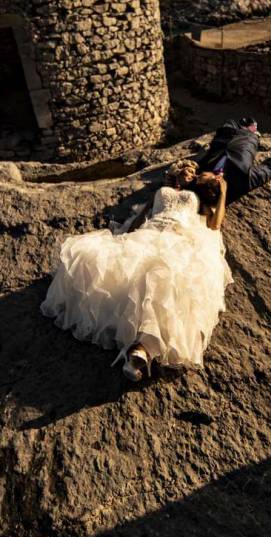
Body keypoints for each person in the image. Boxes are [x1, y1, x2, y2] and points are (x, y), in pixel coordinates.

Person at [41, 159, 232, 381]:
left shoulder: (200, 200)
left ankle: (142, 349)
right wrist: (123, 237)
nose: (192, 172)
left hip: (177, 238)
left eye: (196, 172)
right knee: (123, 272)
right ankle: (138, 348)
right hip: (150, 233)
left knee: (163, 278)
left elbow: (216, 224)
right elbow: (143, 214)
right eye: (187, 170)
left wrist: (224, 190)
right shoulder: (165, 190)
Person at [198, 116, 271, 203]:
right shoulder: (243, 179)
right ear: (217, 179)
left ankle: (244, 127)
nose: (199, 175)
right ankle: (254, 132)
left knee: (229, 122)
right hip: (245, 140)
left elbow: (201, 162)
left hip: (224, 138)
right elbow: (265, 172)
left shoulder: (203, 168)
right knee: (251, 123)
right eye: (202, 176)